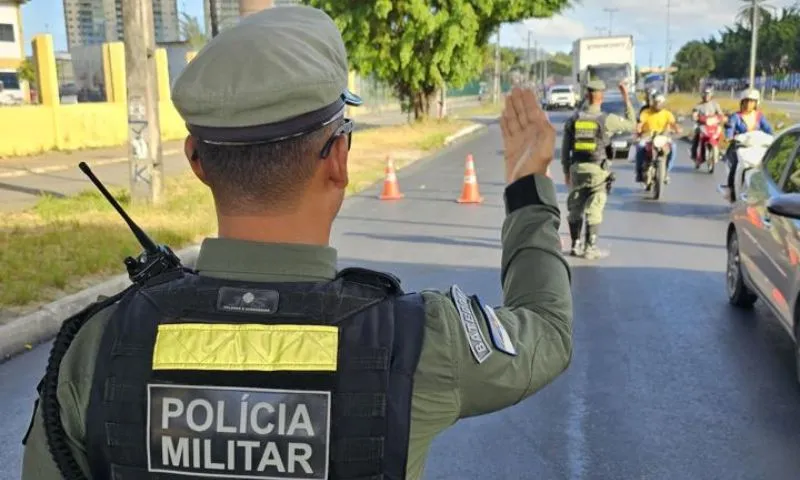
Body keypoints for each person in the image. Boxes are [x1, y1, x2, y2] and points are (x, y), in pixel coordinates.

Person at [21, 6, 573, 480]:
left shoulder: (92, 347)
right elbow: (546, 331)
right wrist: (528, 186)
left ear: (196, 162)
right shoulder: (422, 340)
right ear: (338, 158)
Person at [561, 79, 636, 260]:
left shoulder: (573, 120)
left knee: (576, 206)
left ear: (587, 95)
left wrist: (566, 172)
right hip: (597, 171)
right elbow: (632, 124)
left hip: (577, 169)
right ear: (601, 97)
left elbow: (565, 149)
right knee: (595, 205)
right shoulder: (606, 120)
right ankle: (590, 248)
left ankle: (575, 244)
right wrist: (626, 98)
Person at [723, 88, 774, 202]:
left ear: (756, 103)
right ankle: (731, 189)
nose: (748, 104)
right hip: (740, 148)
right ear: (742, 102)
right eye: (746, 101)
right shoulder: (736, 116)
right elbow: (730, 128)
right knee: (736, 165)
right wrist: (729, 137)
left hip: (756, 148)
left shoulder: (759, 116)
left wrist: (773, 136)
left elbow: (768, 130)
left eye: (752, 101)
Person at [635, 93, 682, 184]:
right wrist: (638, 129)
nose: (658, 105)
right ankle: (639, 172)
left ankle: (666, 170)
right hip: (648, 136)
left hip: (663, 137)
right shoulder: (646, 112)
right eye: (656, 102)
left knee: (673, 147)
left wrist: (677, 129)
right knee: (640, 146)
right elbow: (640, 123)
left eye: (660, 103)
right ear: (653, 103)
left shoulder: (667, 114)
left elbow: (673, 123)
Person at [690, 86, 724, 163]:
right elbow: (694, 114)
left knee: (720, 134)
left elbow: (720, 114)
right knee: (697, 136)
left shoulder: (715, 104)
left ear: (711, 95)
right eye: (705, 94)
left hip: (713, 125)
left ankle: (720, 150)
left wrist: (721, 117)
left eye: (708, 95)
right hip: (702, 125)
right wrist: (695, 117)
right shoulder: (698, 106)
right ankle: (694, 153)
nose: (706, 96)